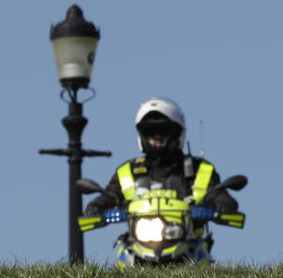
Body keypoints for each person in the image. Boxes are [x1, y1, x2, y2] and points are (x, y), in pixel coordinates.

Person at [84, 97, 239, 253]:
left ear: (177, 133)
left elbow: (218, 193)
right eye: (151, 132)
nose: (157, 136)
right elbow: (110, 194)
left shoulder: (200, 169)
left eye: (163, 131)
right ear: (142, 135)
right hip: (138, 245)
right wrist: (96, 206)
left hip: (189, 245)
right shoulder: (127, 172)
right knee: (122, 256)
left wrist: (224, 204)